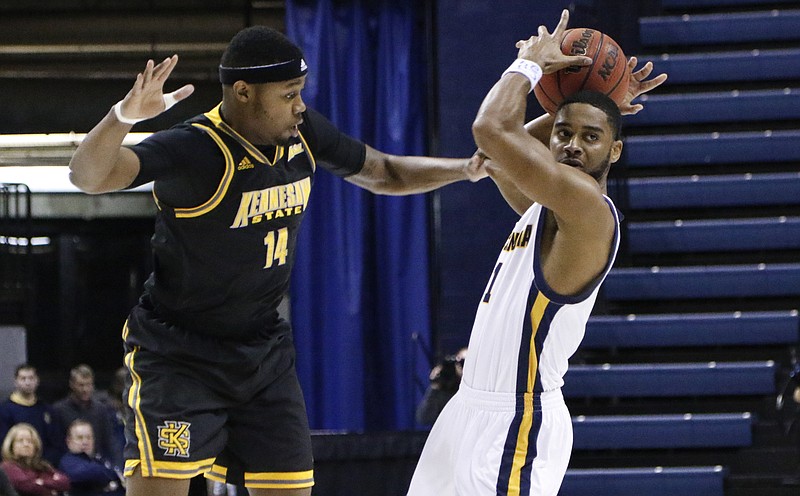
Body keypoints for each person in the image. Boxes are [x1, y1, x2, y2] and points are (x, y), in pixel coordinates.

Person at [67, 25, 484, 496]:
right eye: (289, 95)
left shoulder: (301, 133)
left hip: (262, 352)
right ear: (244, 92)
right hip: (180, 355)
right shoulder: (195, 147)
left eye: (300, 92)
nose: (301, 105)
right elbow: (87, 175)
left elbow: (381, 171)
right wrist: (124, 115)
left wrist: (465, 170)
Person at [407, 10, 667, 496]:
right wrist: (593, 100)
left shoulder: (588, 209)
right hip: (467, 411)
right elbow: (496, 154)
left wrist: (530, 65)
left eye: (592, 137)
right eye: (563, 133)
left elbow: (490, 129)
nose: (571, 145)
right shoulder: (546, 207)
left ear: (615, 152)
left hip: (516, 422)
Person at [52, 366, 120, 471]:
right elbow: (57, 443)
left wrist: (114, 465)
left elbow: (109, 440)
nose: (85, 389)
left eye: (88, 385)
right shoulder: (59, 410)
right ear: (72, 384)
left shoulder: (101, 410)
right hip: (70, 467)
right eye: (81, 385)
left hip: (97, 464)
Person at [0, 366, 65, 466]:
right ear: (15, 382)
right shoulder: (4, 411)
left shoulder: (47, 410)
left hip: (45, 465)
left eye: (31, 378)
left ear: (37, 380)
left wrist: (43, 463)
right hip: (16, 467)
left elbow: (57, 442)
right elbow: (4, 444)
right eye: (23, 378)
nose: (27, 382)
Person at [1, 423, 70, 496]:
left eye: (30, 441)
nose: (26, 444)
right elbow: (26, 486)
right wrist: (51, 489)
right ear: (11, 445)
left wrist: (41, 482)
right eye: (20, 441)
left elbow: (64, 482)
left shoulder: (42, 465)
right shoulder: (8, 466)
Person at [58, 420, 124, 496]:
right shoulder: (68, 461)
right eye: (80, 438)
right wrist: (111, 474)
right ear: (69, 442)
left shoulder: (100, 459)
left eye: (89, 437)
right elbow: (82, 474)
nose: (85, 442)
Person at [415, 347, 467, 425]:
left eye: (467, 362)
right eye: (460, 362)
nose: (464, 367)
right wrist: (435, 385)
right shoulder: (444, 389)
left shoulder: (482, 391)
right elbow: (423, 418)